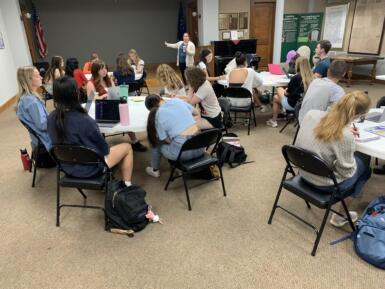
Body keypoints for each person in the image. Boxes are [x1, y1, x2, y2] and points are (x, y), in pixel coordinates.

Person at [296, 91, 372, 227]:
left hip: (302, 172)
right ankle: (340, 215)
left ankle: (342, 212)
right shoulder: (345, 136)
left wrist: (345, 128)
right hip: (324, 184)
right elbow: (346, 172)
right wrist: (350, 147)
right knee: (365, 167)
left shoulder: (311, 114)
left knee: (358, 161)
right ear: (356, 115)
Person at [48, 76, 134, 186]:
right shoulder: (85, 120)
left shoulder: (51, 117)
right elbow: (104, 150)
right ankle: (127, 185)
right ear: (76, 94)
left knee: (110, 145)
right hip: (91, 168)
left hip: (67, 167)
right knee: (127, 147)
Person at [87, 60, 147, 152]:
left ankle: (135, 141)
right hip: (100, 109)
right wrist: (104, 96)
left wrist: (120, 94)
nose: (104, 71)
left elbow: (115, 93)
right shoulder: (90, 83)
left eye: (105, 68)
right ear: (95, 71)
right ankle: (102, 145)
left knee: (127, 114)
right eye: (101, 69)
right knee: (124, 114)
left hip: (112, 106)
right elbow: (91, 100)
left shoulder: (108, 79)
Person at [144, 94, 204, 178]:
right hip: (201, 149)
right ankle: (177, 166)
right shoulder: (176, 100)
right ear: (161, 98)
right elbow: (196, 112)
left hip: (183, 154)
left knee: (157, 143)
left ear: (150, 110)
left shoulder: (157, 115)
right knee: (178, 139)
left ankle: (155, 170)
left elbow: (166, 140)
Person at [266, 57, 314, 128]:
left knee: (278, 91)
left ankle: (274, 120)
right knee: (277, 97)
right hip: (304, 104)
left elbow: (287, 93)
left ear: (298, 65)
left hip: (293, 104)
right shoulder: (312, 78)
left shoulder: (295, 78)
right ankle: (278, 117)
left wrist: (285, 91)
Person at [298, 60, 347, 124]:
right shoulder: (338, 91)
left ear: (328, 70)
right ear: (344, 74)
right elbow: (339, 114)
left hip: (301, 119)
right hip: (316, 126)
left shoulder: (315, 81)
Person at [16, 66, 52, 151]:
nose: (41, 77)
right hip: (46, 141)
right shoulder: (32, 102)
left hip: (38, 140)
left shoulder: (25, 98)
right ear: (29, 80)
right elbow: (43, 126)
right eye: (37, 76)